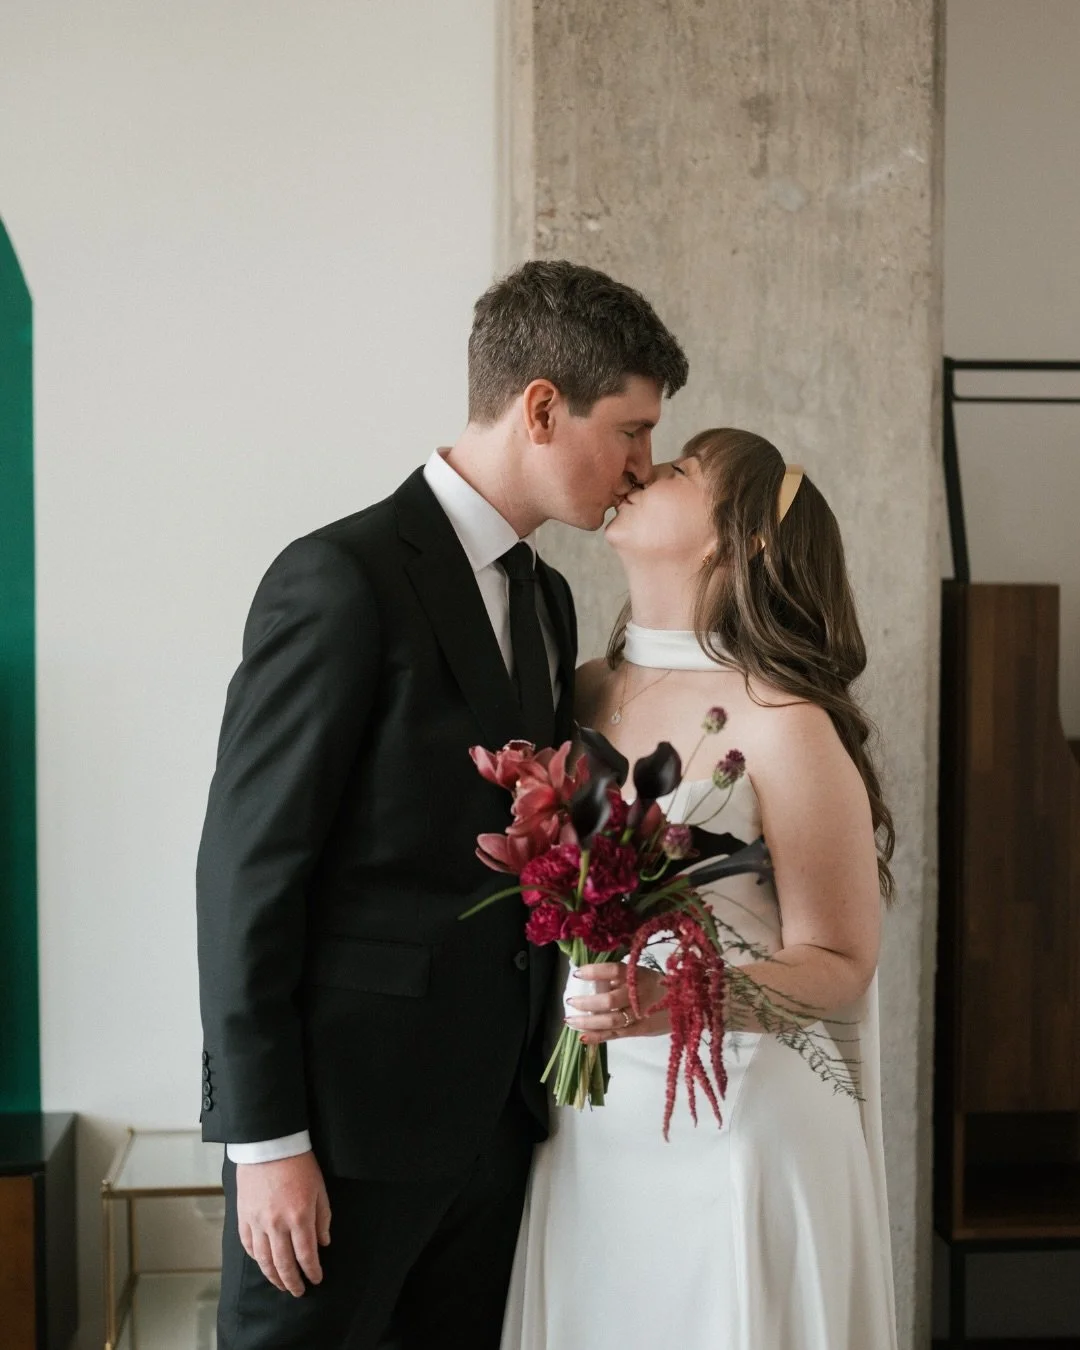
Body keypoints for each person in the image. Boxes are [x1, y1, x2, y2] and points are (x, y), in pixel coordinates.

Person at [195, 258, 688, 1349]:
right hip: (343, 1135)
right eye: (632, 430)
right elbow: (247, 871)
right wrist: (266, 1140)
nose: (644, 467)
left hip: (499, 1127)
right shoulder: (340, 578)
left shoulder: (551, 599)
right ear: (543, 408)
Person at [501, 428, 899, 1350]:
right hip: (589, 1121)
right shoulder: (579, 689)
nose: (641, 468)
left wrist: (675, 1000)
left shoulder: (779, 718)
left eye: (677, 469)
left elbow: (842, 960)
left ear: (739, 541)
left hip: (731, 1118)